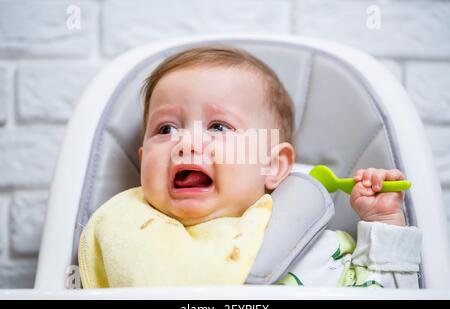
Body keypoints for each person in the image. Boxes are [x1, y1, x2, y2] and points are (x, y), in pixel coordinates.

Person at [78, 46, 421, 288]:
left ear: (273, 165)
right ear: (142, 160)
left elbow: (389, 291)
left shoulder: (304, 242)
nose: (186, 143)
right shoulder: (121, 234)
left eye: (218, 127)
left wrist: (383, 223)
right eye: (166, 129)